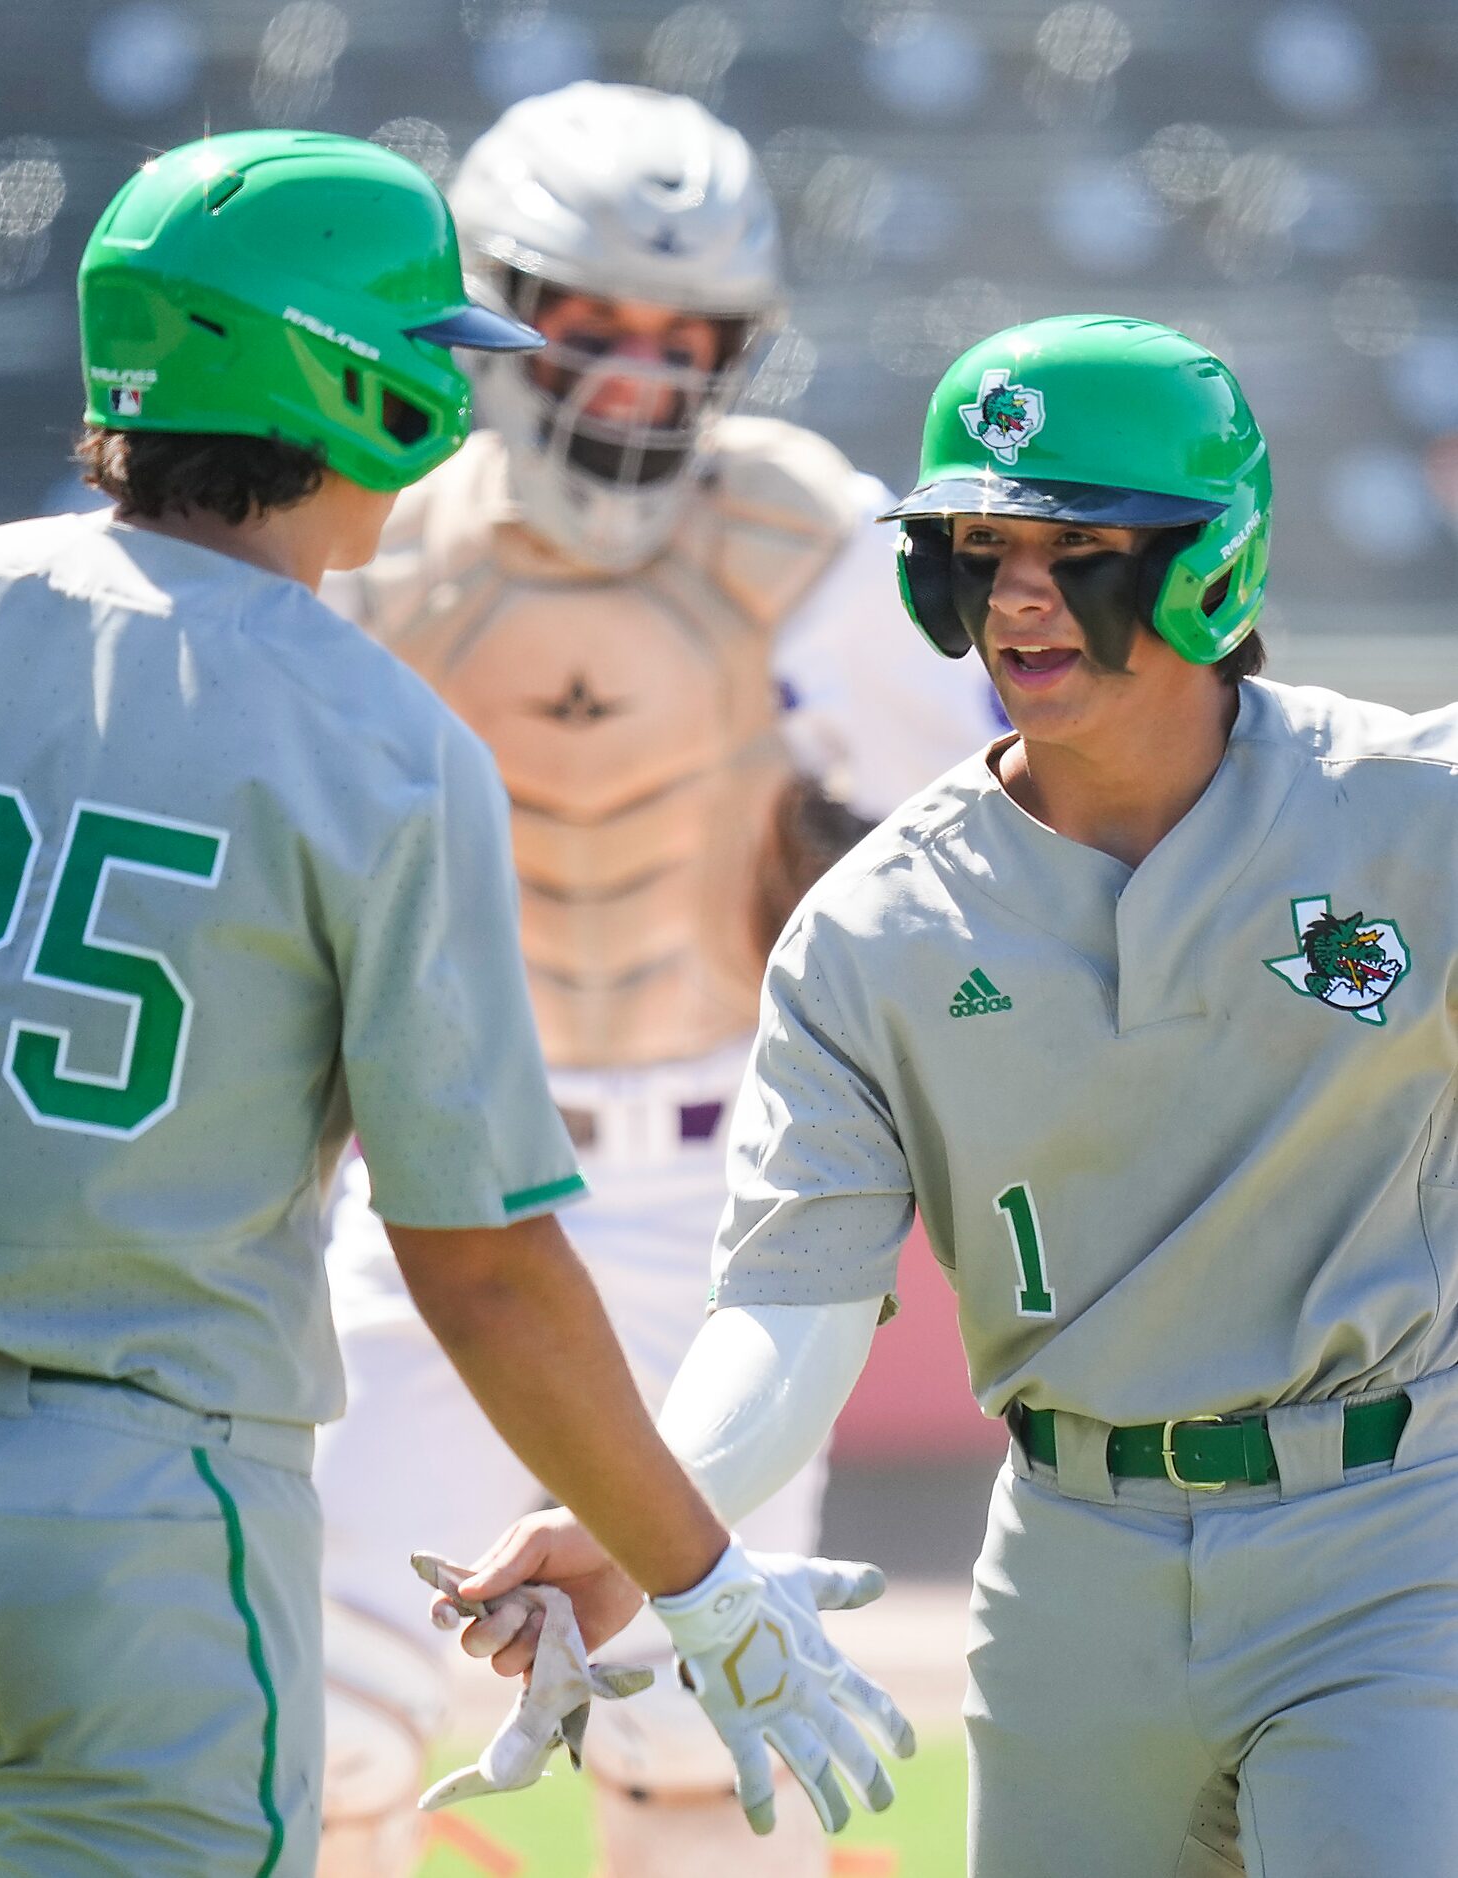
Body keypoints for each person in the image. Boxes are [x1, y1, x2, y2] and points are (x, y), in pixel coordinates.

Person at [0, 129, 910, 1878]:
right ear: (359, 387)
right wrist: (700, 1576)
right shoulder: (379, 729)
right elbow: (479, 1259)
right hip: (139, 1491)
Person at [437, 313, 1458, 1878]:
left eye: (1073, 545)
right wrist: (634, 1519)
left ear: (1213, 562)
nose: (1017, 595)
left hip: (1393, 1534)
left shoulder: (1413, 818)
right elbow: (790, 1315)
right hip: (1069, 1559)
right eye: (979, 547)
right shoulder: (873, 927)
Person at [313, 79, 1000, 1877]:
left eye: (680, 334)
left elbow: (987, 823)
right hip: (439, 1180)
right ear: (493, 306)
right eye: (589, 322)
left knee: (716, 1754)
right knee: (317, 1731)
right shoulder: (380, 536)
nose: (635, 371)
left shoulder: (813, 532)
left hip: (721, 1187)